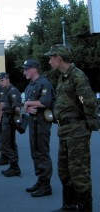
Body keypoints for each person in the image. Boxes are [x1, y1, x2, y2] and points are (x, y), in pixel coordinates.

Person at [45, 44, 98, 212]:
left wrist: (89, 126)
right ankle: (69, 206)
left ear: (58, 58)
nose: (49, 61)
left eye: (50, 58)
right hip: (65, 131)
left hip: (76, 131)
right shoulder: (63, 77)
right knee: (65, 171)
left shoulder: (77, 76)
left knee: (79, 174)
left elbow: (88, 101)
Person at [22, 59, 55, 198]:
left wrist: (29, 103)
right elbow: (25, 104)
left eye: (26, 69)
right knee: (35, 152)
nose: (24, 72)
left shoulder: (44, 83)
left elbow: (45, 101)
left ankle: (46, 185)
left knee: (42, 153)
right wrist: (27, 106)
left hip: (42, 124)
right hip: (33, 123)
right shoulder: (30, 85)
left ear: (34, 69)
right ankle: (40, 180)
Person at [0, 72, 22, 177]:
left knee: (5, 144)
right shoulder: (6, 90)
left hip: (10, 120)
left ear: (7, 79)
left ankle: (15, 166)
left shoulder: (13, 90)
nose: (1, 83)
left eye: (2, 80)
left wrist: (19, 119)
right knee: (10, 143)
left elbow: (17, 107)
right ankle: (13, 166)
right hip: (7, 118)